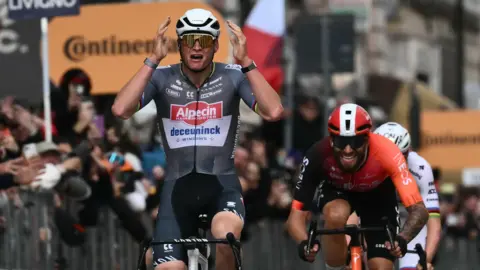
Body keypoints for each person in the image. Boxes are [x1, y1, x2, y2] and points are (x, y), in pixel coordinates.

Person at [111, 8, 283, 270]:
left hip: (220, 186)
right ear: (179, 45)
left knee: (225, 238)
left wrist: (247, 62)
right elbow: (121, 109)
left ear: (215, 45)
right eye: (189, 40)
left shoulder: (233, 76)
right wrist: (152, 60)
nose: (196, 48)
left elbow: (274, 111)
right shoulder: (162, 77)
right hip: (176, 191)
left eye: (203, 41)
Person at [286, 103, 429, 270]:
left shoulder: (388, 152)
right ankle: (336, 266)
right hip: (338, 191)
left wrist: (403, 238)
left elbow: (419, 209)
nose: (348, 150)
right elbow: (295, 217)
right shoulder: (317, 154)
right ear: (331, 140)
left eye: (356, 142)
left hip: (378, 196)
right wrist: (304, 243)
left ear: (368, 139)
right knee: (335, 215)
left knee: (381, 267)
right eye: (341, 141)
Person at [374, 122, 441, 270]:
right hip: (378, 220)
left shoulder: (420, 167)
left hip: (410, 222)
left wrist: (426, 259)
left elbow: (433, 220)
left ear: (408, 151)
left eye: (400, 156)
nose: (393, 163)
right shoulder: (364, 165)